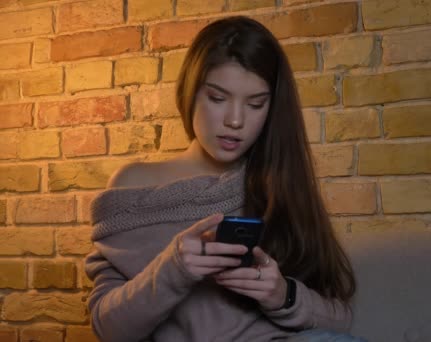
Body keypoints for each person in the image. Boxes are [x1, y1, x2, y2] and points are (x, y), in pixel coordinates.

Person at [85, 16, 364, 342]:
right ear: (191, 93)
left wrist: (282, 295)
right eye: (218, 98)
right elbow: (109, 330)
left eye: (256, 104)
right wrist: (174, 267)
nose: (235, 120)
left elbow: (340, 320)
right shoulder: (134, 185)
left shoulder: (279, 184)